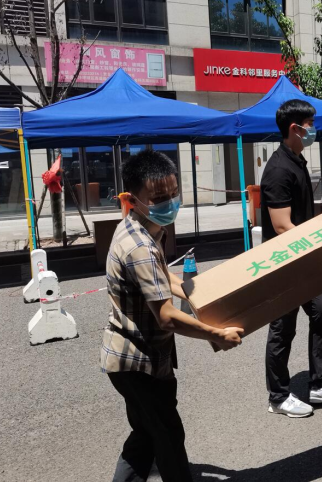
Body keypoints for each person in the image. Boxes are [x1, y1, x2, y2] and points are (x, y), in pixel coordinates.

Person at [100, 149, 243, 482]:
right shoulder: (140, 246)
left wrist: (199, 293)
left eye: (173, 193)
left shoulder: (142, 228)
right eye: (159, 198)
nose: (170, 203)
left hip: (132, 360)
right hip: (139, 364)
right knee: (167, 437)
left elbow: (163, 278)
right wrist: (216, 333)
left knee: (146, 436)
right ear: (132, 199)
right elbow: (166, 316)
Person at [262, 99, 322, 418]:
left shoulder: (297, 161)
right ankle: (278, 397)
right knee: (283, 328)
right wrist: (319, 248)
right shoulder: (278, 169)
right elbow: (281, 225)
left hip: (304, 260)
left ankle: (319, 384)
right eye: (310, 125)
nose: (313, 130)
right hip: (285, 262)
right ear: (295, 128)